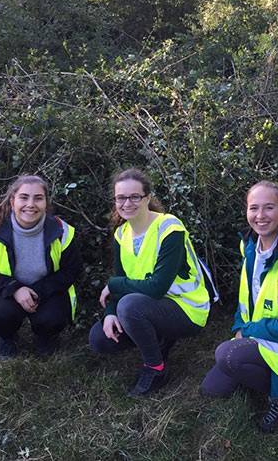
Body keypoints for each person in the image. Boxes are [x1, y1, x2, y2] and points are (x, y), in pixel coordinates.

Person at [201, 181, 278, 432]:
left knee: (228, 355)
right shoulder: (250, 249)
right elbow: (244, 302)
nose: (260, 216)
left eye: (268, 208)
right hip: (264, 336)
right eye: (253, 208)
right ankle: (261, 374)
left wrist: (246, 332)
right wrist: (239, 326)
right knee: (212, 389)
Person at [88, 168, 213, 396]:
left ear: (147, 198)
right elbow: (125, 280)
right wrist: (110, 312)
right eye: (121, 198)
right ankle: (159, 338)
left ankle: (156, 369)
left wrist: (114, 286)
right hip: (148, 305)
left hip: (187, 309)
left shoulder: (169, 228)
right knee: (99, 339)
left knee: (130, 307)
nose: (127, 203)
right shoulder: (121, 234)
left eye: (135, 196)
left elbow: (156, 288)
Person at [0, 175, 81, 357]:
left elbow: (72, 269)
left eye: (38, 198)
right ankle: (7, 337)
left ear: (46, 203)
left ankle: (46, 337)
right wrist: (15, 289)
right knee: (1, 315)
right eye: (24, 197)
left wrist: (40, 290)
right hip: (6, 291)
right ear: (13, 201)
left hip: (46, 291)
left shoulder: (62, 231)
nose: (31, 204)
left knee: (52, 318)